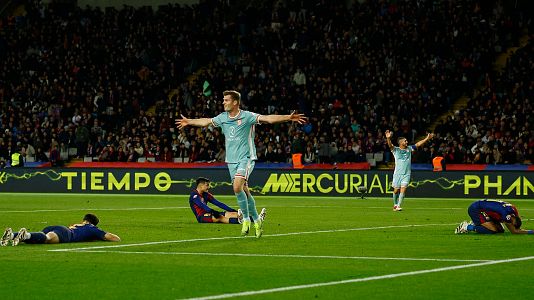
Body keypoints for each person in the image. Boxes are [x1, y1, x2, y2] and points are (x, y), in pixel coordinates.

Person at [176, 90, 307, 237]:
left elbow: (268, 119)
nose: (223, 102)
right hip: (231, 161)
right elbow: (206, 121)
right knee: (243, 190)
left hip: (246, 158)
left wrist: (288, 118)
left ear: (235, 102)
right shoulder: (223, 117)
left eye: (226, 100)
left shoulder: (247, 116)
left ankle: (245, 219)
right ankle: (256, 220)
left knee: (237, 186)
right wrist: (189, 121)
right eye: (223, 99)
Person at [385, 130, 434, 211]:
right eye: (405, 141)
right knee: (396, 190)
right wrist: (388, 139)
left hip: (406, 174)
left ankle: (398, 206)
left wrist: (427, 138)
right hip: (397, 174)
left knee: (403, 189)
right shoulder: (396, 150)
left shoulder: (409, 149)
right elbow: (390, 145)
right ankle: (395, 204)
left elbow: (418, 144)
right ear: (400, 143)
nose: (407, 142)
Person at [1, 213, 121, 246]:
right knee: (47, 239)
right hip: (66, 234)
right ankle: (25, 236)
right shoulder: (92, 228)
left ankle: (11, 235)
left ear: (84, 220)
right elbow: (114, 238)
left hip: (57, 227)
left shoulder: (78, 225)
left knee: (39, 237)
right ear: (92, 223)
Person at [189, 177, 264, 224]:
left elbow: (219, 204)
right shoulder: (194, 196)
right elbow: (202, 206)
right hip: (202, 217)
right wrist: (213, 212)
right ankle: (240, 221)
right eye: (207, 185)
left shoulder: (206, 194)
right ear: (201, 186)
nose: (209, 187)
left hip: (210, 213)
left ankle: (257, 218)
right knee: (219, 218)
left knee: (232, 214)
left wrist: (232, 210)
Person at [455, 199, 534, 234]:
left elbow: (516, 226)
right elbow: (514, 231)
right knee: (492, 230)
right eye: (510, 222)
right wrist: (531, 232)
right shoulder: (506, 214)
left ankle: (480, 223)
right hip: (476, 209)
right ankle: (467, 227)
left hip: (485, 209)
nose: (510, 223)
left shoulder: (513, 210)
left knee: (500, 230)